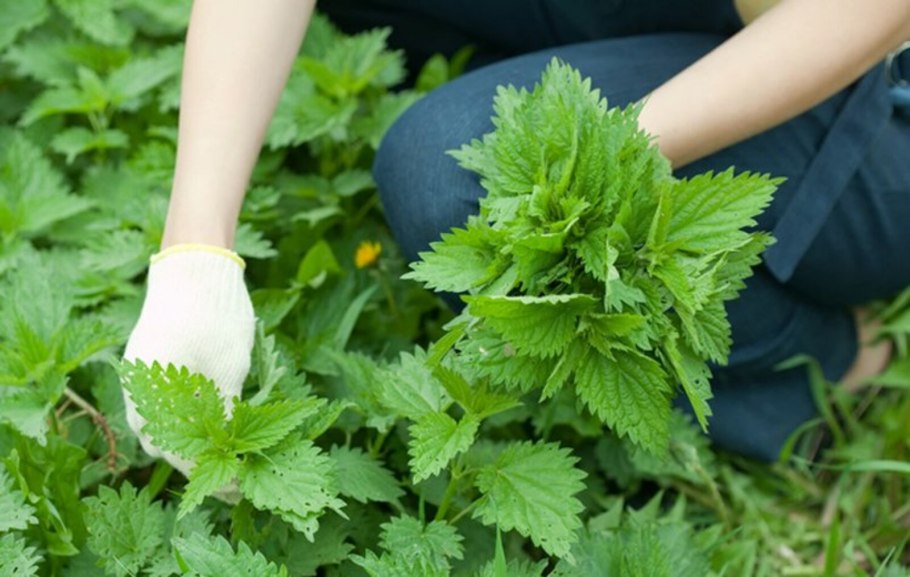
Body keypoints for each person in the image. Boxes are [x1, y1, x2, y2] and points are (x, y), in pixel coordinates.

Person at [122, 0, 910, 470]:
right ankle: (539, 80)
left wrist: (593, 162)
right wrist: (195, 253)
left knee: (455, 181)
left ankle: (826, 363)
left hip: (851, 73)